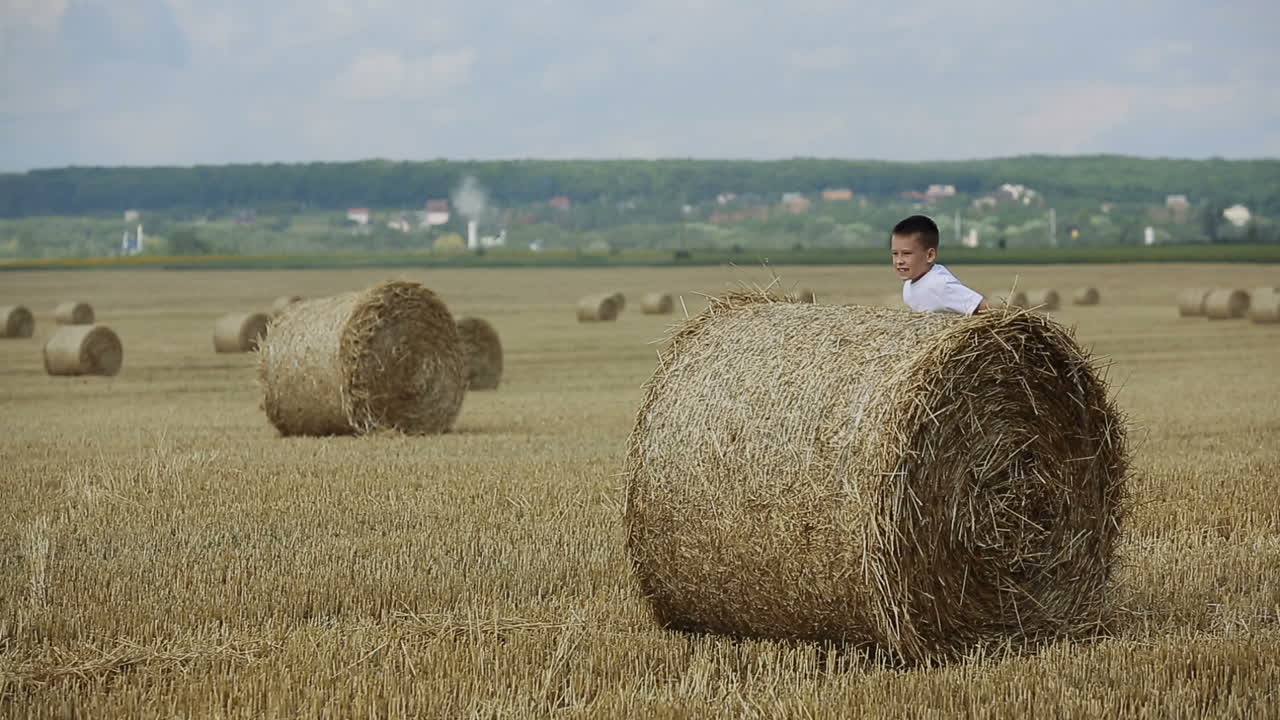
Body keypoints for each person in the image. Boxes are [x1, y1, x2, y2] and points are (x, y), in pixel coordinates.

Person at [891, 215, 988, 315]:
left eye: (906, 254)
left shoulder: (940, 284)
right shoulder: (909, 285)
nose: (899, 261)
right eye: (895, 253)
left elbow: (987, 309)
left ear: (930, 255)